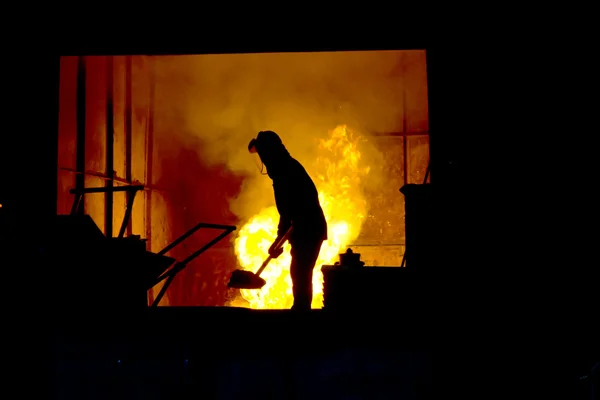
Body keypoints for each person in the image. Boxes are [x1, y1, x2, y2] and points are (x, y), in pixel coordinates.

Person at [248, 131, 328, 311]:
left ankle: (301, 312)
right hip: (305, 229)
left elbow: (295, 209)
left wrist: (282, 237)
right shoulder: (284, 170)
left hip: (309, 229)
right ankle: (300, 309)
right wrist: (279, 239)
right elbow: (287, 212)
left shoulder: (287, 171)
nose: (262, 159)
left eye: (263, 153)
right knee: (299, 272)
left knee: (300, 272)